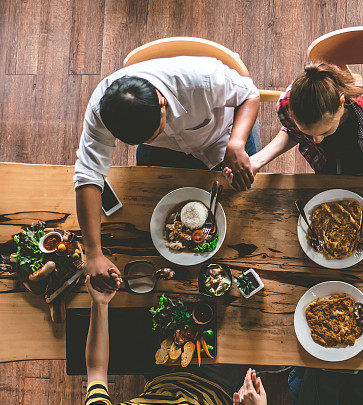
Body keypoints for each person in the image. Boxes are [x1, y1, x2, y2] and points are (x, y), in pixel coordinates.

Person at [74, 56, 261, 292]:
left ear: (162, 102)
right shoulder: (101, 109)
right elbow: (87, 174)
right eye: (143, 140)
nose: (149, 140)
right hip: (166, 149)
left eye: (154, 132)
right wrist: (92, 253)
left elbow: (250, 93)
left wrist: (236, 144)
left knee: (243, 194)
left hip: (222, 135)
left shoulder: (202, 77)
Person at [79, 275, 252, 405]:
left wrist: (100, 303)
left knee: (162, 301)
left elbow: (95, 369)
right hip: (218, 387)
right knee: (247, 327)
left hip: (163, 377)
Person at [247, 62, 363, 179]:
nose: (315, 142)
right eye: (307, 134)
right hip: (330, 161)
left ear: (341, 103)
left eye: (324, 132)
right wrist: (257, 160)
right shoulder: (289, 104)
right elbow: (291, 132)